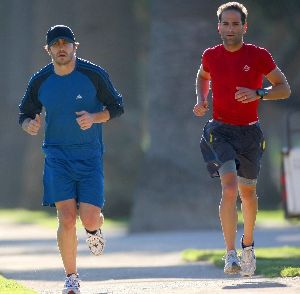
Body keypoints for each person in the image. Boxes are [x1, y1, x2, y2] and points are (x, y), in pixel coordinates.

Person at [19, 25, 124, 293]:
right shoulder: (40, 80)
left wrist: (95, 118)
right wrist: (29, 124)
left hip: (89, 156)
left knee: (89, 218)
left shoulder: (93, 74)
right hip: (56, 155)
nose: (61, 48)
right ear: (49, 50)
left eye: (66, 43)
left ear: (75, 46)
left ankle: (93, 231)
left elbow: (116, 107)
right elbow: (25, 113)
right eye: (56, 44)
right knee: (66, 218)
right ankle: (72, 278)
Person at [194, 2, 290, 276]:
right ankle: (230, 253)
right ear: (219, 26)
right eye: (226, 23)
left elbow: (284, 89)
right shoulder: (211, 55)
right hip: (220, 131)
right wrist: (201, 99)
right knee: (228, 187)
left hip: (250, 132)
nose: (231, 28)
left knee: (247, 193)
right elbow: (203, 76)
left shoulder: (259, 56)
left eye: (236, 24)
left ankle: (248, 246)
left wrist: (259, 93)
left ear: (244, 27)